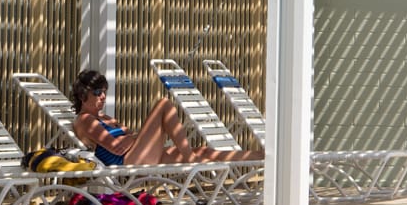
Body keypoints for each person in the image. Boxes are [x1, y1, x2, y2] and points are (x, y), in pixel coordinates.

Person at [71, 69, 263, 166]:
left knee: (205, 152)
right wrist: (140, 135)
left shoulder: (105, 117)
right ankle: (190, 159)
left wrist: (139, 136)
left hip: (140, 153)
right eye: (97, 92)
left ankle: (264, 158)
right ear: (82, 95)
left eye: (104, 91)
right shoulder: (86, 119)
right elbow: (117, 147)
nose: (102, 96)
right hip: (128, 161)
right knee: (163, 104)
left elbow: (128, 139)